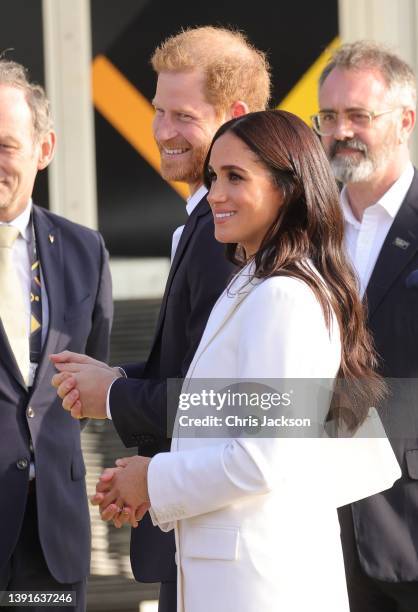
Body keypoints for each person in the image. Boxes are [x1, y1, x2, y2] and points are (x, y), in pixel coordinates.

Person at [81, 110, 400, 612]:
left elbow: (261, 460)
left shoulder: (285, 297)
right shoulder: (257, 284)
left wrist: (153, 478)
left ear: (288, 189)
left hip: (260, 586)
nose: (215, 194)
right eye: (212, 177)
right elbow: (229, 417)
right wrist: (148, 474)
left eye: (235, 177)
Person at [51, 26, 271, 612]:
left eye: (184, 115)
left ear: (237, 115)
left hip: (226, 546)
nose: (163, 132)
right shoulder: (205, 225)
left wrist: (115, 395)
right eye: (157, 111)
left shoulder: (227, 235)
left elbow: (235, 404)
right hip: (197, 529)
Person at [0, 60, 112, 611]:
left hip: (53, 536)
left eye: (5, 146)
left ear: (44, 150)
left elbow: (91, 384)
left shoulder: (84, 251)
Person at [314, 40, 418, 612]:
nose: (341, 130)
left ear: (404, 122)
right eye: (329, 117)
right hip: (317, 523)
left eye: (359, 115)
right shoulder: (306, 227)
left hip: (410, 524)